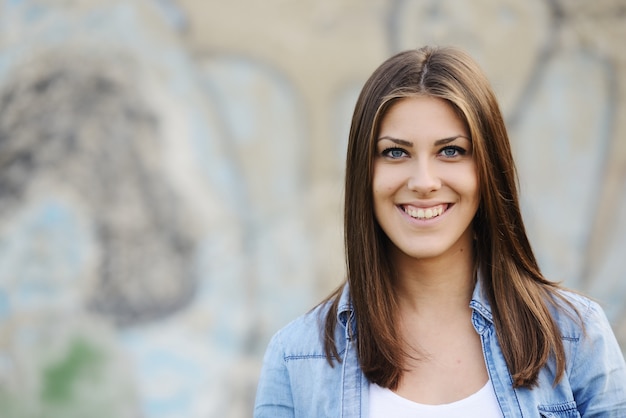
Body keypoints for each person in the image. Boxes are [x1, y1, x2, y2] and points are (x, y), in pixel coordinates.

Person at [253, 46, 626, 417]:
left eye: (451, 151)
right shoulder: (296, 357)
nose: (424, 181)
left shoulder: (576, 336)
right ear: (364, 173)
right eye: (395, 153)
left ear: (486, 168)